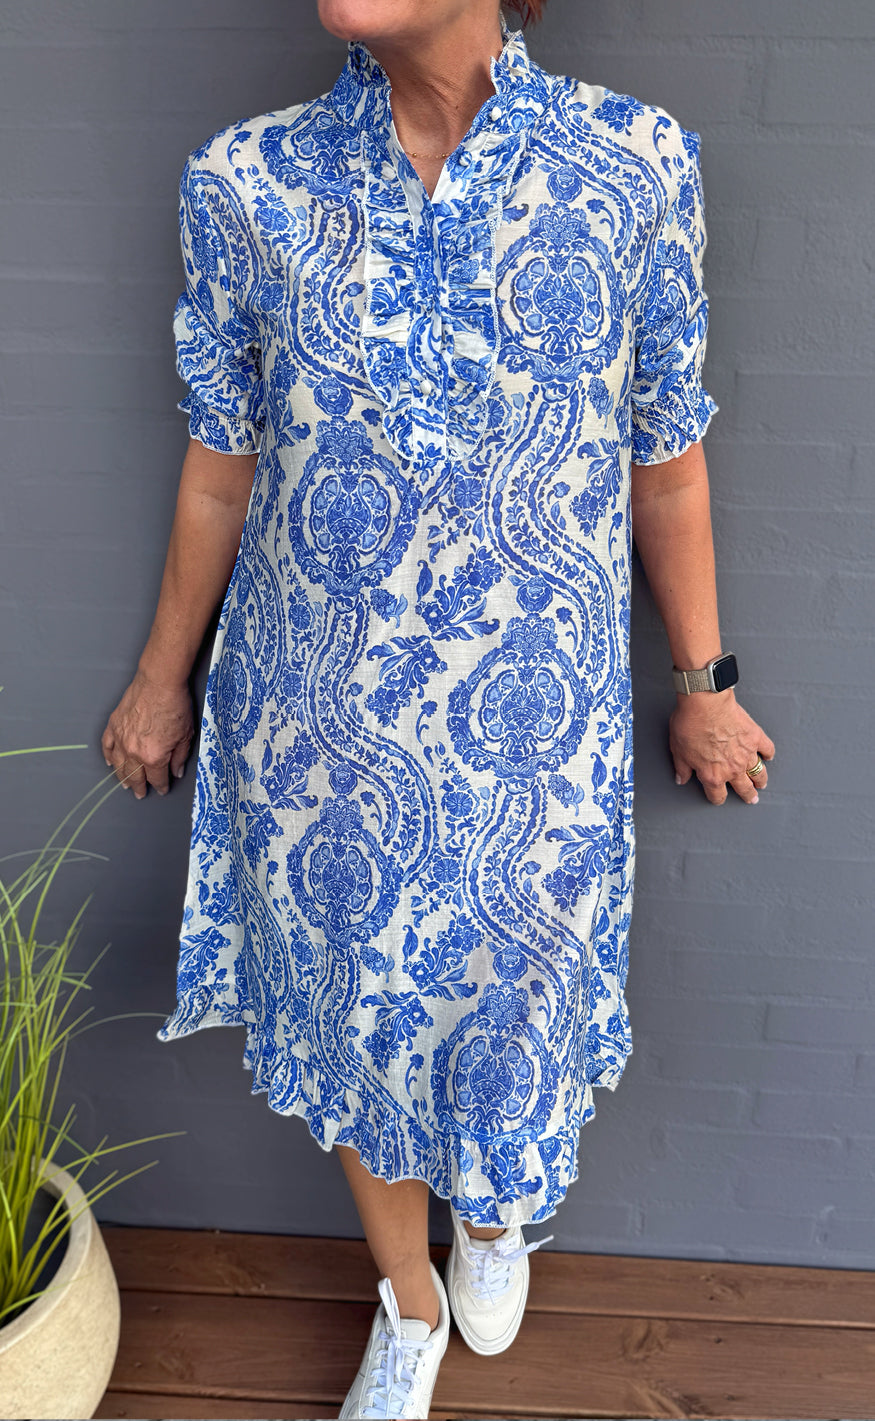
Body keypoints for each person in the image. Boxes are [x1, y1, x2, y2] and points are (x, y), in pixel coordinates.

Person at [101, 0, 776, 1415]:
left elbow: (667, 459)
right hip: (320, 732)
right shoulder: (248, 182)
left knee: (516, 1006)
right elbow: (220, 466)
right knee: (356, 1011)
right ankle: (406, 1300)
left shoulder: (634, 164)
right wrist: (163, 679)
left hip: (540, 737)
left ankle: (495, 1214)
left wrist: (705, 682)